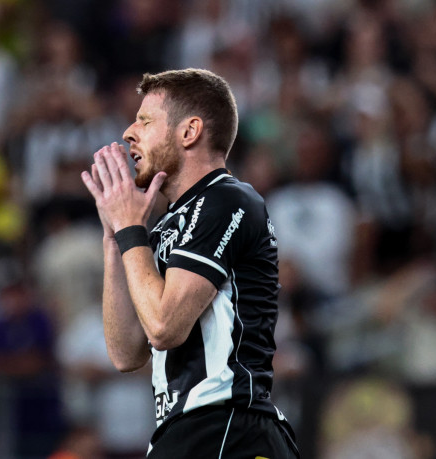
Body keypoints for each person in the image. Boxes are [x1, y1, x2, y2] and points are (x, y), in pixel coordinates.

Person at [81, 68, 300, 458]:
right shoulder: (165, 227)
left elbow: (165, 327)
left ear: (189, 132)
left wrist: (131, 228)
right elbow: (126, 352)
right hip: (187, 430)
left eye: (145, 121)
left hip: (228, 427)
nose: (129, 132)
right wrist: (116, 237)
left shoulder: (227, 199)